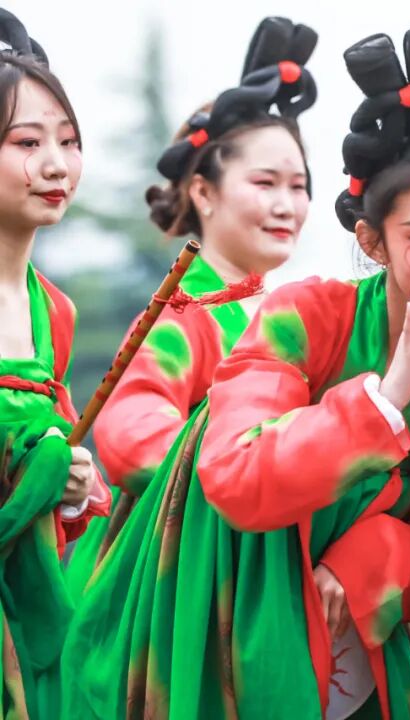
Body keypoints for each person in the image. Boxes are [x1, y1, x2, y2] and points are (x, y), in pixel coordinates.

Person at [63, 22, 410, 720]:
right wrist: (209, 472)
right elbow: (156, 438)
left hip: (353, 632)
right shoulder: (230, 313)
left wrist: (370, 551)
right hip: (212, 586)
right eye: (264, 182)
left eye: (297, 186)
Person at [64, 16, 317, 603]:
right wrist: (246, 473)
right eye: (265, 183)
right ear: (204, 191)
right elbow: (130, 430)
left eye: (298, 186)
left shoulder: (287, 315)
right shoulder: (184, 310)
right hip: (181, 581)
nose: (286, 205)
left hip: (254, 568)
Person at [0, 9, 110, 718]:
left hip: (27, 620)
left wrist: (67, 482)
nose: (56, 165)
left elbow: (58, 498)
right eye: (27, 142)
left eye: (68, 141)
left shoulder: (54, 313)